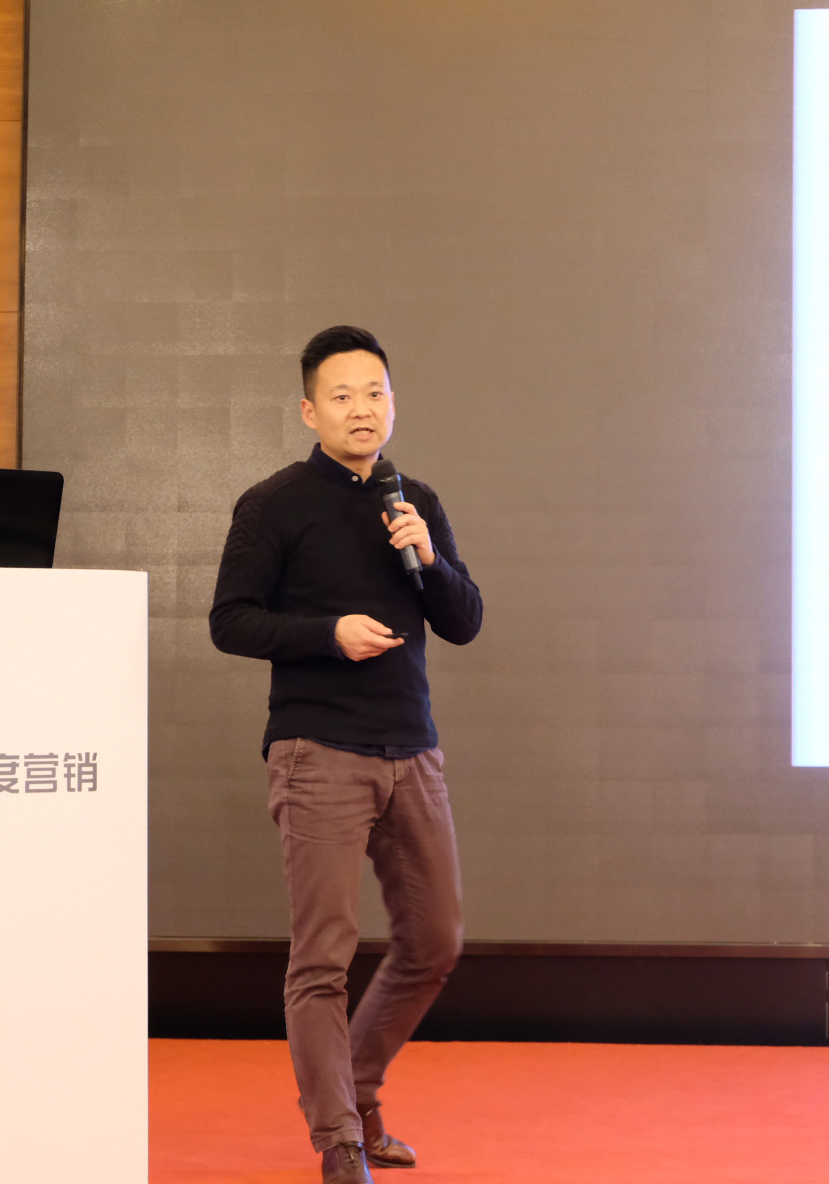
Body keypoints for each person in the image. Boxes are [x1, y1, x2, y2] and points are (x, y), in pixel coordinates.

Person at [210, 325, 483, 1184]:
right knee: (322, 959)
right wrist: (327, 634)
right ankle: (338, 1141)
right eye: (342, 396)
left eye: (375, 393)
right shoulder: (273, 504)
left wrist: (428, 559)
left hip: (413, 750)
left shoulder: (415, 502)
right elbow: (230, 620)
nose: (362, 409)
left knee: (434, 941)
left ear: (392, 403)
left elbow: (465, 621)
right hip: (317, 750)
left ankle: (356, 1093)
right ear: (309, 411)